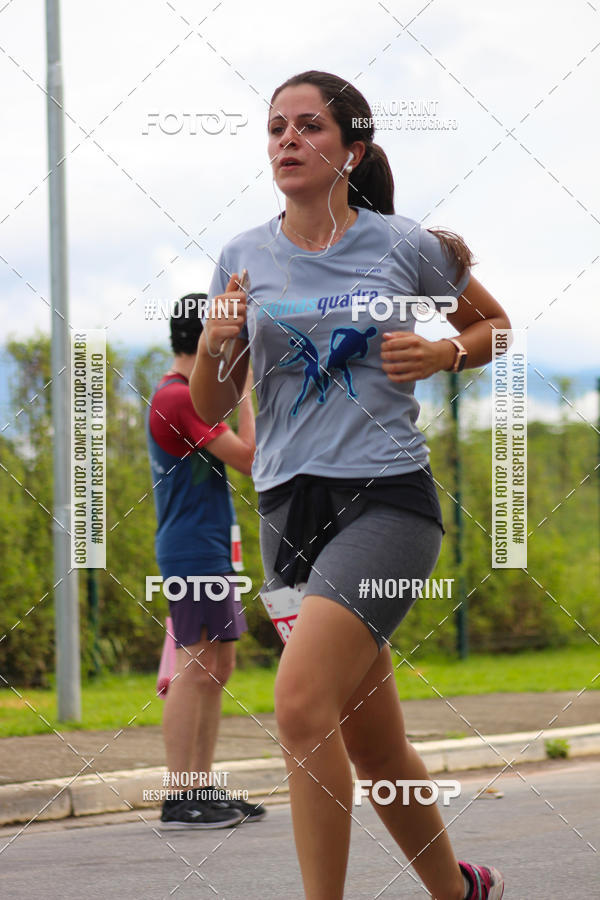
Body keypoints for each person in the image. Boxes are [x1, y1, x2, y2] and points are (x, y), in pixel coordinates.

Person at [190, 71, 509, 897]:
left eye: (309, 127)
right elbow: (212, 402)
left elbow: (493, 326)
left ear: (351, 149)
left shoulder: (403, 246)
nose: (288, 139)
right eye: (275, 128)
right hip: (287, 511)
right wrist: (222, 343)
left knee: (298, 705)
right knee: (372, 747)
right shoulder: (241, 256)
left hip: (386, 499)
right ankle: (459, 891)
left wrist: (446, 353)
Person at [147, 293, 265, 829]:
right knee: (196, 666)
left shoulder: (191, 398)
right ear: (206, 339)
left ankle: (201, 785)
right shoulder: (177, 399)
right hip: (191, 551)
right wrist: (246, 391)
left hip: (211, 547)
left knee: (217, 666)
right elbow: (251, 460)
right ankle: (179, 795)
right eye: (230, 338)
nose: (236, 348)